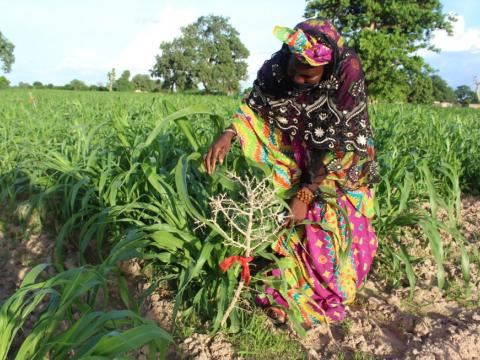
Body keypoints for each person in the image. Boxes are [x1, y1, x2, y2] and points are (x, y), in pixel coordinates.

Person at [204, 19, 380, 328]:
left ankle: (319, 295)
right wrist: (230, 132)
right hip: (299, 147)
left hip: (341, 161)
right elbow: (256, 105)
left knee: (325, 219)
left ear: (327, 69)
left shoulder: (347, 70)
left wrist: (307, 190)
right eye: (294, 71)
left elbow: (349, 139)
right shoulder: (278, 65)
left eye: (307, 75)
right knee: (291, 220)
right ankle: (284, 290)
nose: (297, 79)